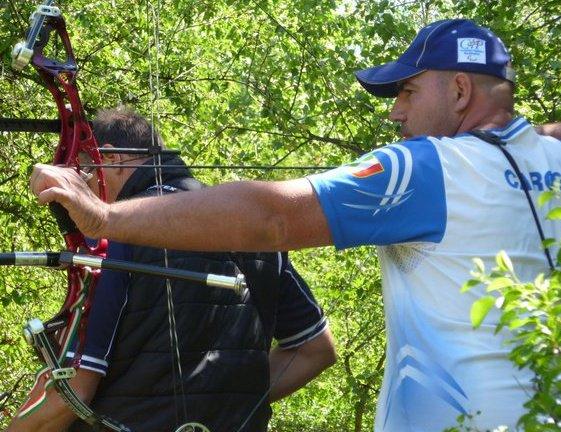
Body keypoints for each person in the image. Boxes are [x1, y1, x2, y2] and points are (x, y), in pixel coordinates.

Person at [29, 19, 561, 431]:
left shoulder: (423, 167)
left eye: (408, 92)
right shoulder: (548, 160)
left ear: (461, 91)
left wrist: (103, 216)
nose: (396, 114)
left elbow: (273, 218)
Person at [9, 107, 336, 432]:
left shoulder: (116, 235)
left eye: (83, 170)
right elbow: (314, 350)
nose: (85, 192)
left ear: (111, 158)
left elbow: (71, 392)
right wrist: (232, 406)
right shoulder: (251, 226)